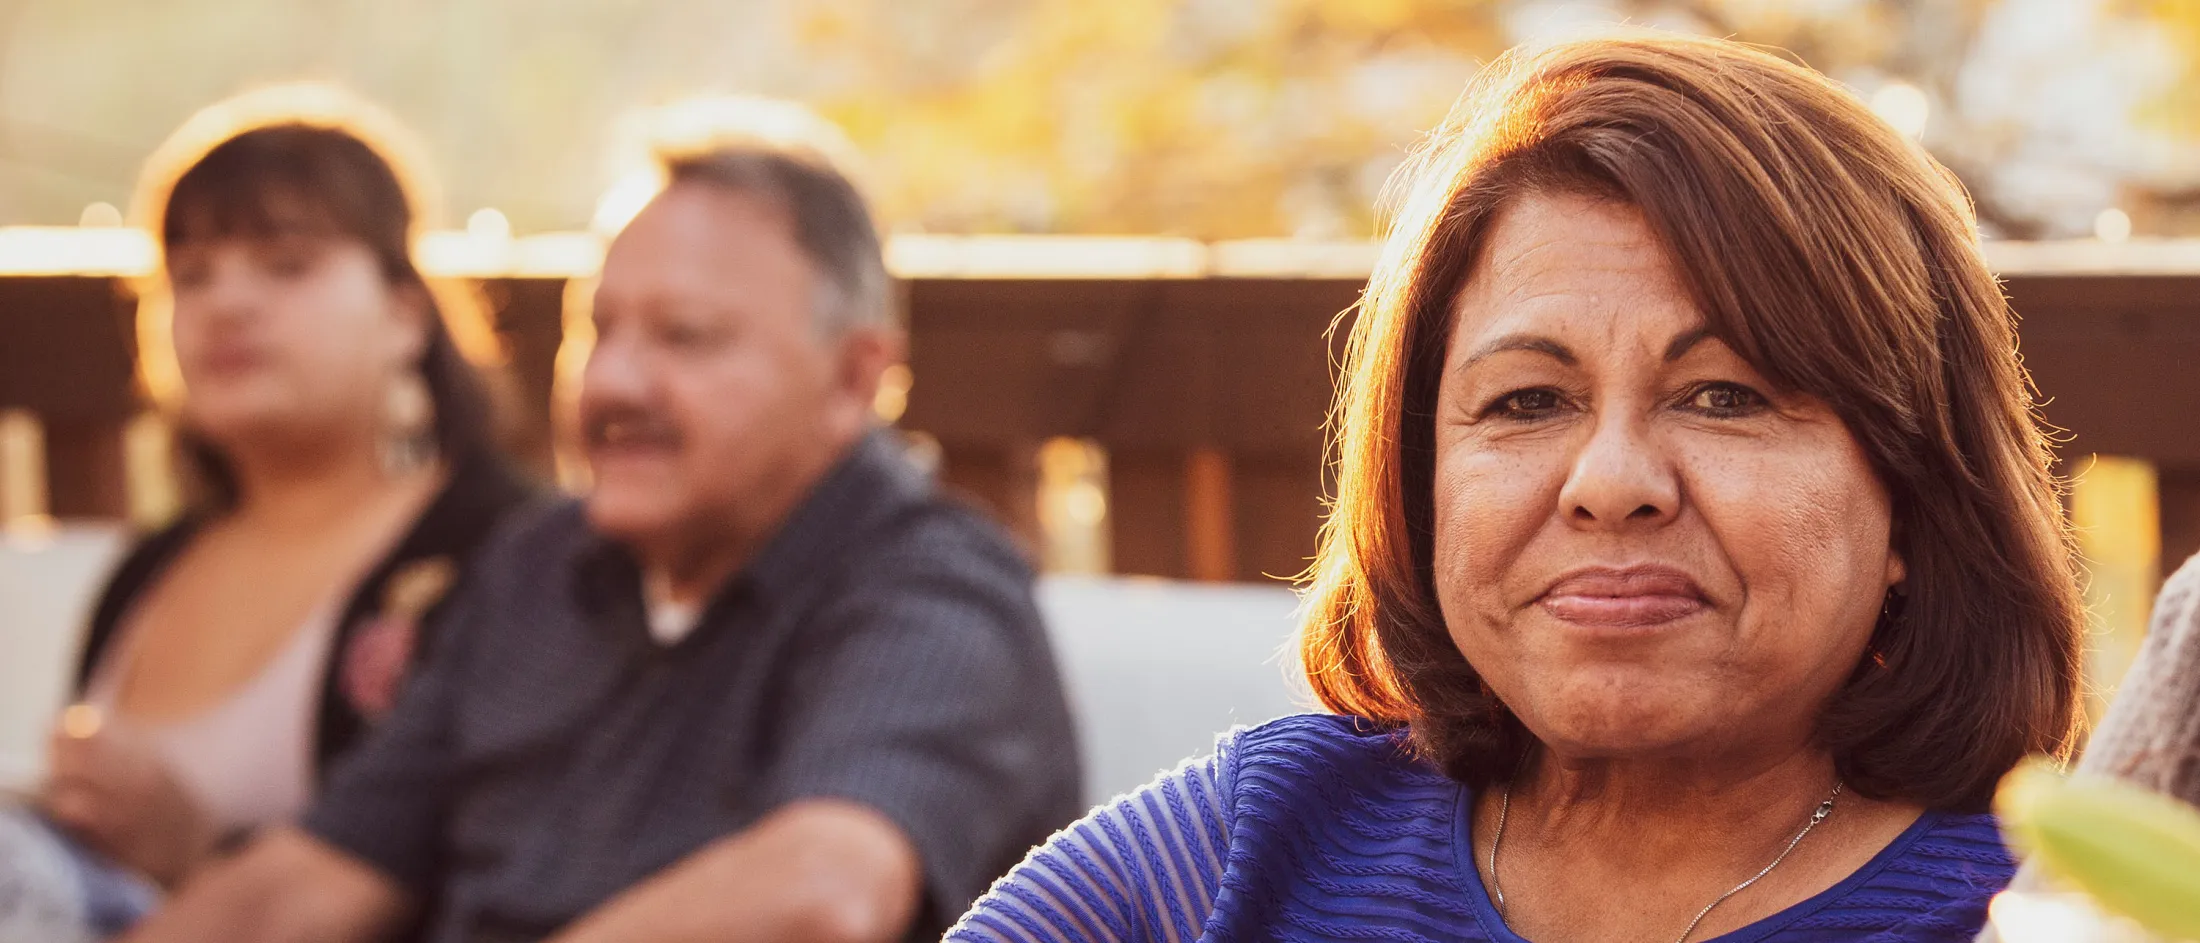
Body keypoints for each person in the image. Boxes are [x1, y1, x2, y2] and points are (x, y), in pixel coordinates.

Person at [950, 34, 2084, 943]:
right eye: (1527, 401)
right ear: (1418, 477)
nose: (1610, 485)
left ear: (1915, 490)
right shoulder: (1245, 849)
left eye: (1725, 396)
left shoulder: (2052, 913)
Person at [123, 99, 1081, 943]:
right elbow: (314, 880)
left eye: (685, 336)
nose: (615, 381)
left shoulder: (932, 587)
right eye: (599, 328)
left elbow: (823, 894)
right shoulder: (536, 566)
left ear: (853, 378)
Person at [6, 85, 533, 936]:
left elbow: (499, 874)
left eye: (288, 265)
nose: (228, 304)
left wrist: (199, 850)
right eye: (191, 276)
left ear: (405, 313)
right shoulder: (150, 567)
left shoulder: (499, 553)